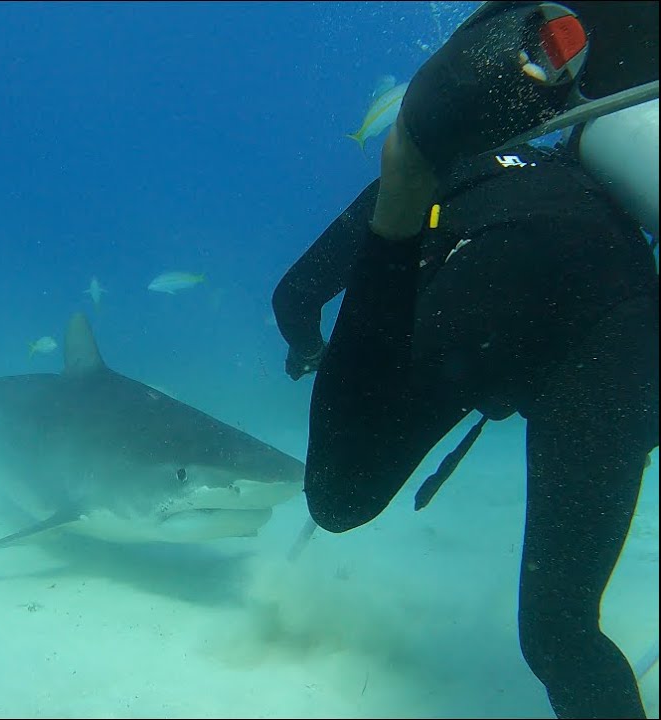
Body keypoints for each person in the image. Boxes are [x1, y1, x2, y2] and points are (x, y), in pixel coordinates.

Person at [272, 2, 659, 718]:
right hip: (622, 298)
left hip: (494, 282)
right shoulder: (601, 182)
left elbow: (294, 295)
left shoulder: (459, 168)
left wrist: (313, 351)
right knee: (562, 630)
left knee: (339, 499)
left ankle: (403, 162)